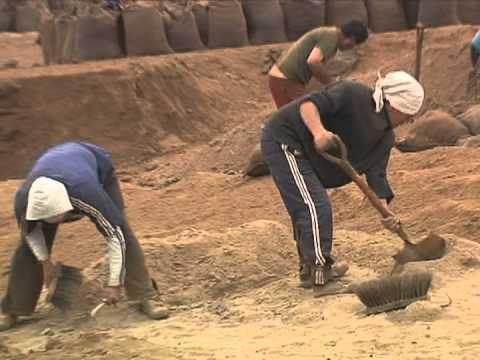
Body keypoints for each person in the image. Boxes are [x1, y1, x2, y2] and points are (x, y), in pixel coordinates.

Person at [261, 71, 425, 295]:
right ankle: (321, 275)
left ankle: (311, 270)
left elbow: (377, 176)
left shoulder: (385, 137)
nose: (410, 120)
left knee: (309, 205)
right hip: (287, 140)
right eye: (409, 115)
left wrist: (386, 211)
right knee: (314, 207)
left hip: (312, 157)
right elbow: (308, 105)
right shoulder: (352, 93)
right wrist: (319, 132)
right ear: (396, 105)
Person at [0, 142, 168, 331]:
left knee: (123, 232)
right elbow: (31, 233)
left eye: (56, 218)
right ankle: (13, 308)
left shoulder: (87, 193)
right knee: (26, 248)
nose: (55, 224)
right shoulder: (24, 200)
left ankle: (145, 295)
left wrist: (114, 283)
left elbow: (115, 236)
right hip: (57, 167)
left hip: (93, 167)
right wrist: (45, 262)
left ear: (68, 206)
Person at [268, 20, 369, 109]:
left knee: (291, 116)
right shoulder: (331, 38)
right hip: (286, 79)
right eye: (355, 44)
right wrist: (332, 83)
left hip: (282, 78)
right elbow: (313, 62)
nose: (352, 47)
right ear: (351, 39)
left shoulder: (329, 34)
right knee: (306, 113)